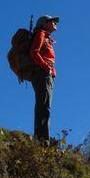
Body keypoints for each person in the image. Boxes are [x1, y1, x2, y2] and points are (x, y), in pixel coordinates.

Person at [29, 15, 59, 144]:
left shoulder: (46, 37)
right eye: (53, 21)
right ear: (45, 23)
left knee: (44, 105)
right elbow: (34, 52)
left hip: (46, 73)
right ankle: (42, 139)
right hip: (42, 73)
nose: (55, 23)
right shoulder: (40, 34)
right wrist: (46, 67)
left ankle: (42, 138)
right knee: (43, 105)